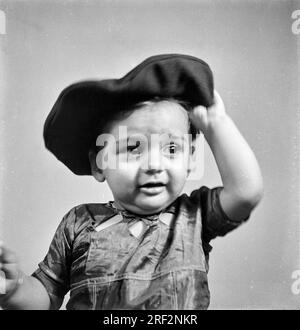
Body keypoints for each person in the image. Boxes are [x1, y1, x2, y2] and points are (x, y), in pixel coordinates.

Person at [0, 54, 263, 310]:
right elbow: (46, 295)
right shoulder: (79, 223)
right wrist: (14, 288)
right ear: (98, 163)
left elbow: (245, 193)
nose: (153, 165)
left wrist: (216, 124)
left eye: (172, 148)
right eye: (133, 148)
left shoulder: (194, 216)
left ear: (190, 159)